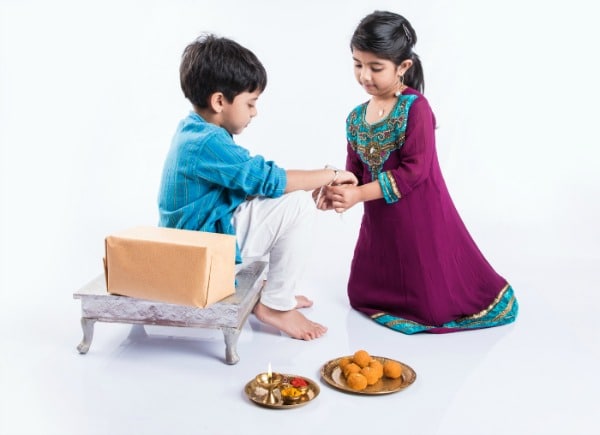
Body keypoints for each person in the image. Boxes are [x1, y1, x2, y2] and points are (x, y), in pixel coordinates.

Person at [318, 11, 518, 334]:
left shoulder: (416, 108)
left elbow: (414, 172)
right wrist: (337, 189)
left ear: (403, 67)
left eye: (375, 67)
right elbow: (354, 170)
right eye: (358, 64)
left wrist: (359, 194)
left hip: (418, 217)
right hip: (379, 224)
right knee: (359, 294)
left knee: (432, 308)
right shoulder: (355, 118)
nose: (364, 75)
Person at [157, 33, 357, 340]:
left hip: (196, 240)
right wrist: (330, 174)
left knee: (291, 200)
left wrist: (307, 188)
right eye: (251, 103)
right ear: (219, 101)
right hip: (198, 254)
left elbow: (253, 187)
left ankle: (278, 294)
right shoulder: (208, 141)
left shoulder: (194, 130)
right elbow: (270, 179)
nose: (255, 112)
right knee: (297, 205)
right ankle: (276, 305)